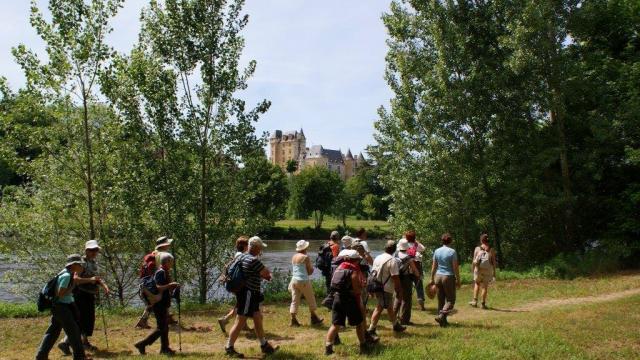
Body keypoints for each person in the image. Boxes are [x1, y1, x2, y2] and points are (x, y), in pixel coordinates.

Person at [225, 236, 278, 358]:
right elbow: (266, 274)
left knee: (257, 317)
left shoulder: (242, 256)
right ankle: (229, 347)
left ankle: (264, 345)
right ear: (256, 248)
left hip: (247, 293)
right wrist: (269, 274)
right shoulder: (253, 260)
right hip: (248, 293)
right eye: (260, 248)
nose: (260, 251)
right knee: (240, 320)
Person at [58, 240, 110, 355]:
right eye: (91, 250)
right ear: (86, 250)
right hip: (80, 294)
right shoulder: (80, 263)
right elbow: (76, 280)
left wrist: (104, 286)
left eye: (96, 250)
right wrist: (90, 280)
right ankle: (68, 342)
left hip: (89, 294)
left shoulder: (93, 262)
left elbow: (96, 277)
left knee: (88, 319)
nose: (94, 252)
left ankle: (82, 342)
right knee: (81, 320)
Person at [36, 254, 90, 360]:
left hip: (59, 307)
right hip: (61, 307)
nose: (82, 267)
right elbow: (60, 293)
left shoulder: (65, 273)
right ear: (74, 265)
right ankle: (80, 357)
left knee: (53, 332)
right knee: (74, 331)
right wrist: (74, 283)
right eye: (80, 264)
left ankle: (41, 356)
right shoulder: (67, 276)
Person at [325, 250, 372, 356]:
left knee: (335, 324)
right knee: (359, 324)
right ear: (355, 260)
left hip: (337, 298)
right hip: (350, 300)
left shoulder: (339, 267)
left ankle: (328, 348)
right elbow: (356, 290)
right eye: (358, 260)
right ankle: (363, 347)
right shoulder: (353, 270)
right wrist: (362, 286)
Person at [134, 252, 180, 355]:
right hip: (159, 303)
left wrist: (173, 287)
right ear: (167, 261)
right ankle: (142, 344)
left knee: (164, 327)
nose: (172, 263)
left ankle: (164, 348)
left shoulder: (164, 271)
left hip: (162, 302)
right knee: (161, 328)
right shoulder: (161, 272)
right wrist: (170, 285)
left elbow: (164, 288)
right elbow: (158, 287)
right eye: (171, 261)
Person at [366, 240, 406, 337]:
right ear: (394, 249)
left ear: (385, 248)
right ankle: (371, 329)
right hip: (385, 288)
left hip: (376, 285)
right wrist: (399, 290)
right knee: (379, 308)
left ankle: (396, 325)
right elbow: (395, 277)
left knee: (389, 307)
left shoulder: (378, 257)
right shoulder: (392, 260)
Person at [136, 236, 173, 329]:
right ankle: (165, 319)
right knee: (159, 300)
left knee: (153, 302)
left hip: (146, 282)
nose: (169, 245)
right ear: (164, 245)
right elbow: (163, 270)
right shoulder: (162, 255)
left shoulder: (153, 254)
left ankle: (166, 318)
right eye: (167, 244)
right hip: (154, 282)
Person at [218, 236, 252, 334]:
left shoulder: (238, 254)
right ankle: (224, 320)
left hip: (235, 284)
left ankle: (244, 325)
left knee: (240, 305)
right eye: (248, 245)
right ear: (245, 246)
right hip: (239, 285)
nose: (249, 247)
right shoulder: (241, 255)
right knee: (241, 306)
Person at [289, 240, 324, 326]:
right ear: (305, 248)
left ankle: (293, 320)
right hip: (303, 280)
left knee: (295, 300)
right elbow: (310, 271)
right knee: (310, 298)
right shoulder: (305, 257)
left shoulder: (294, 256)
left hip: (294, 280)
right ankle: (314, 318)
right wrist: (312, 268)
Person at [429, 233, 461, 327]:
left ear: (442, 241)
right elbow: (455, 268)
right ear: (450, 241)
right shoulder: (452, 252)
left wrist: (432, 278)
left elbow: (434, 266)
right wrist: (458, 280)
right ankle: (441, 316)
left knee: (441, 300)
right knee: (451, 300)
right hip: (448, 277)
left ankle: (443, 322)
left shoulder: (437, 251)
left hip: (438, 276)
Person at [393, 239, 420, 325]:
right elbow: (414, 270)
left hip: (396, 277)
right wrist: (418, 275)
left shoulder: (395, 254)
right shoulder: (408, 257)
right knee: (406, 299)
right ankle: (404, 320)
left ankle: (393, 317)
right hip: (405, 279)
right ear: (407, 247)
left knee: (397, 297)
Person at [469, 233, 497, 309]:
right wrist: (494, 273)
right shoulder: (491, 249)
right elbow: (494, 262)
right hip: (488, 270)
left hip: (478, 269)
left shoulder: (477, 248)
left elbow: (474, 260)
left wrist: (472, 269)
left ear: (481, 240)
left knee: (477, 284)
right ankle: (483, 304)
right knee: (485, 287)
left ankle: (474, 301)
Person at [405, 231, 427, 311]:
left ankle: (407, 305)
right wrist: (417, 242)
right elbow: (423, 249)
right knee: (419, 287)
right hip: (417, 269)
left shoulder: (404, 245)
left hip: (407, 269)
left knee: (408, 287)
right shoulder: (417, 245)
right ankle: (421, 303)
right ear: (414, 237)